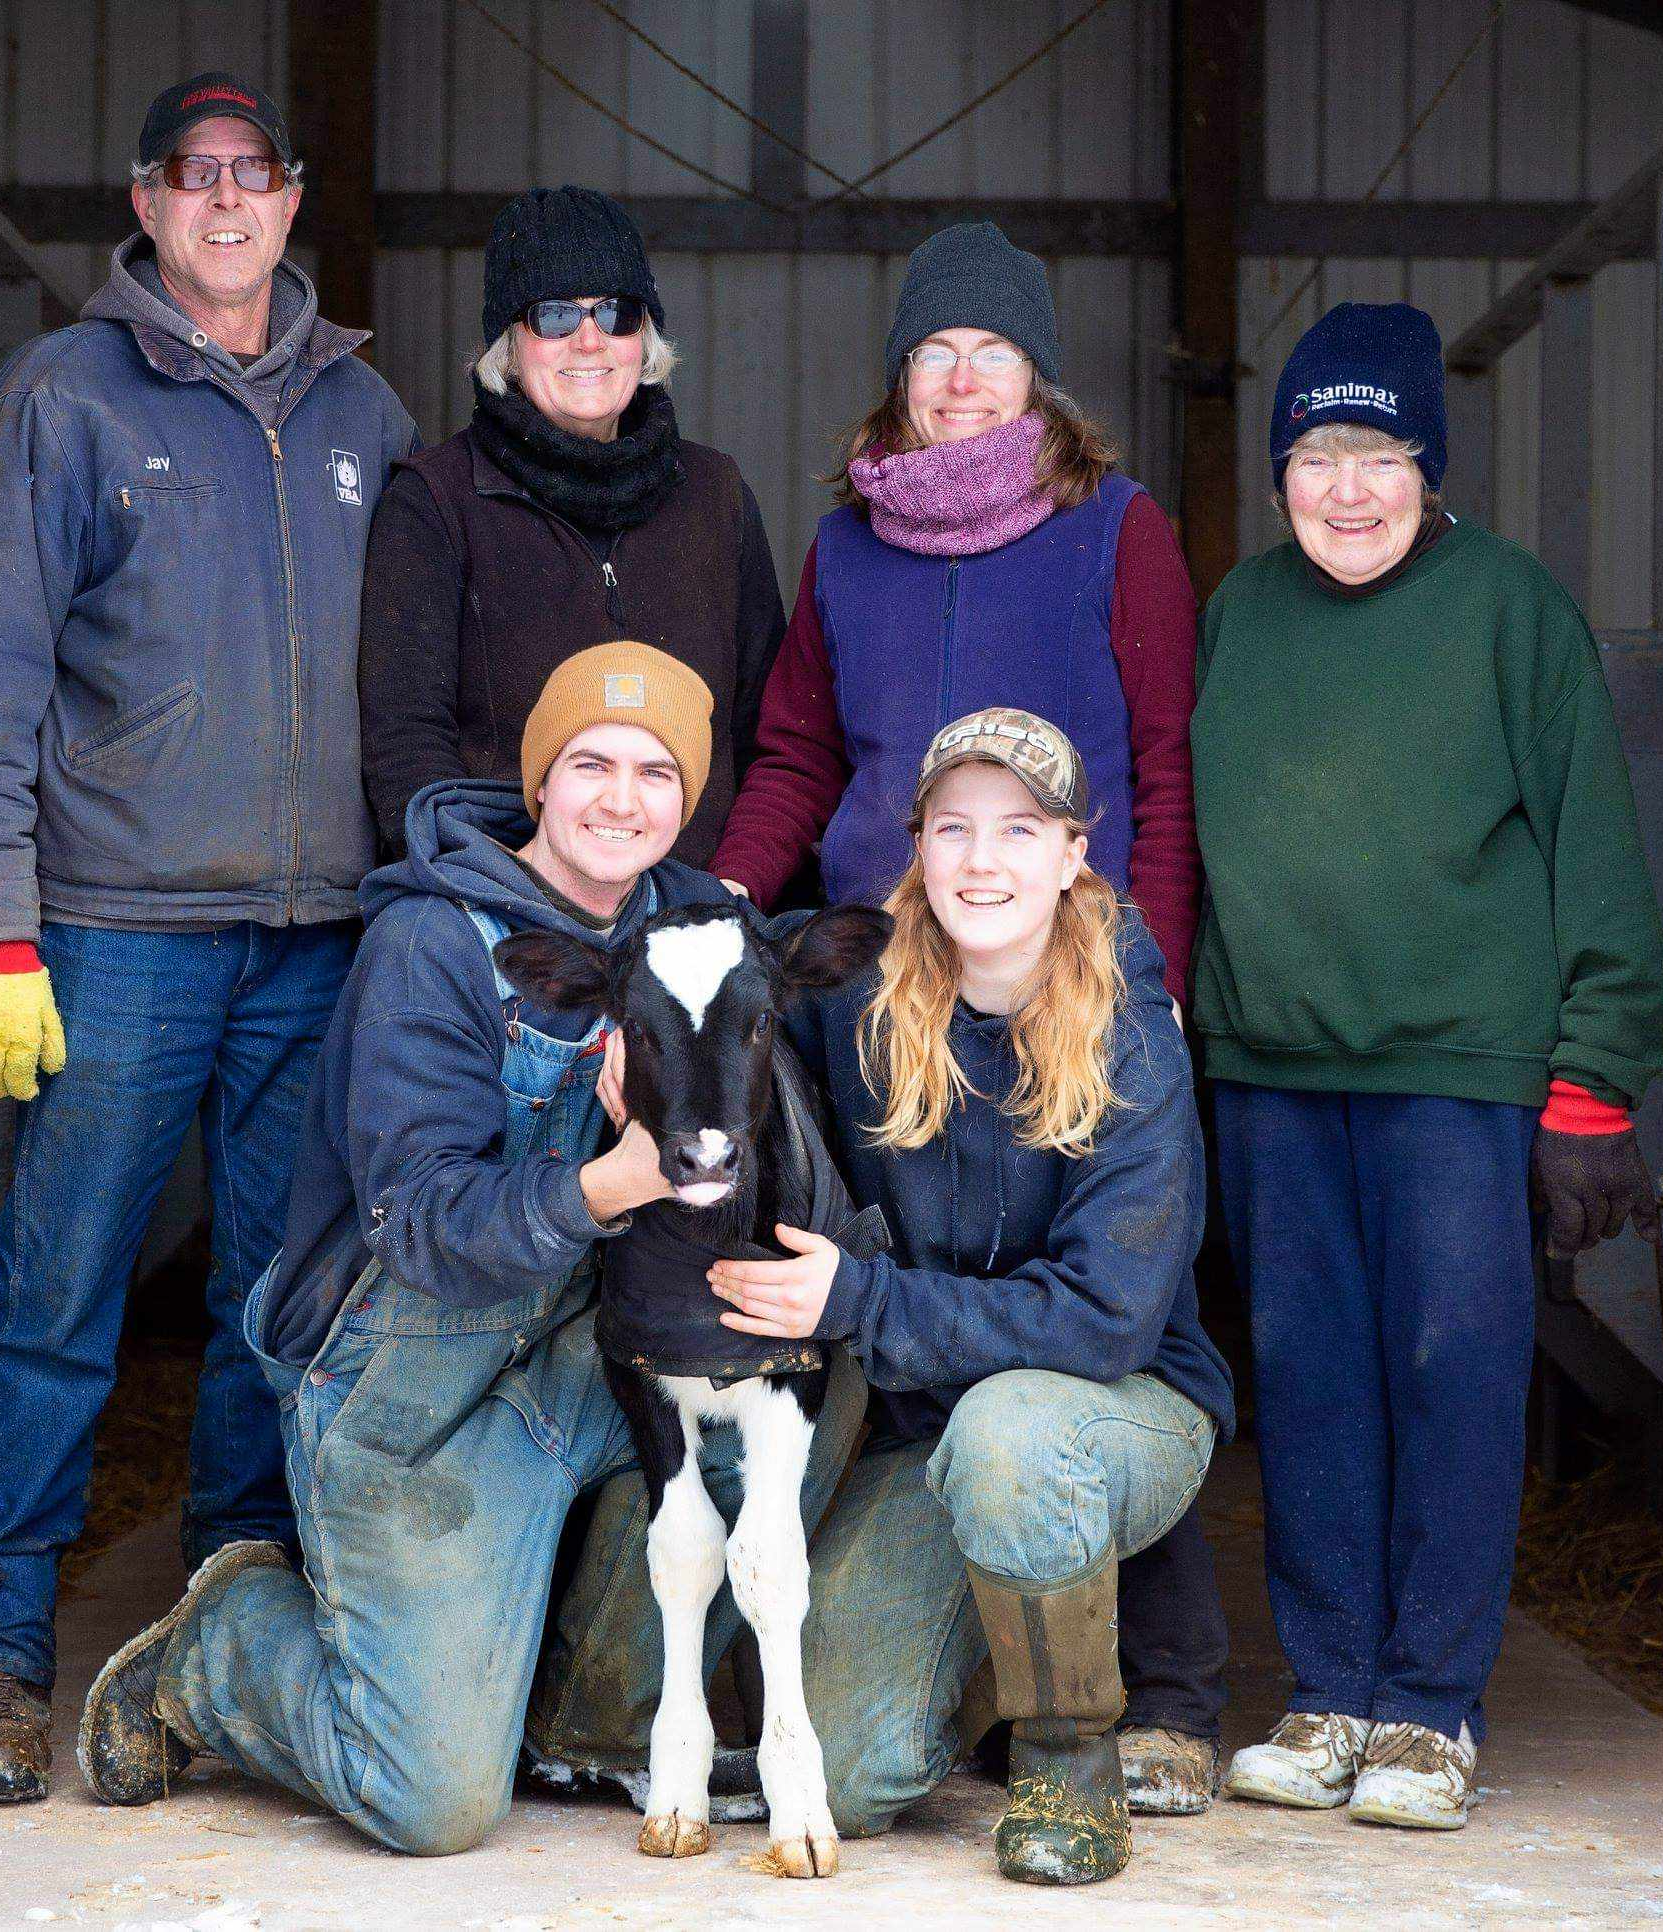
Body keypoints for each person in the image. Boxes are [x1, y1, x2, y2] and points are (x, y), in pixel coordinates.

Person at [77, 644, 867, 1855]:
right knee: (431, 1802)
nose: (621, 798)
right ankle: (221, 1645)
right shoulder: (433, 945)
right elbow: (425, 1223)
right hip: (413, 1395)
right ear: (539, 780)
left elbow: (783, 1135)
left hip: (596, 1355)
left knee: (816, 1361)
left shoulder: (698, 933)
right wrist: (619, 1175)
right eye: (590, 763)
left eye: (658, 771)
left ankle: (599, 1724)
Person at [0, 71, 416, 1805]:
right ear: (146, 201)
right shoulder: (67, 393)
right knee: (59, 1295)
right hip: (118, 924)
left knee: (277, 1307)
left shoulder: (369, 412)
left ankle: (213, 1640)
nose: (224, 203)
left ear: (291, 200)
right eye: (191, 176)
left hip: (321, 933)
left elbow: (419, 684)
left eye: (254, 174)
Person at [707, 218, 1230, 1811]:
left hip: (1074, 959)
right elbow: (798, 753)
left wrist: (1155, 975)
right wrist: (719, 913)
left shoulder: (1114, 529)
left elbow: (1161, 758)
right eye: (929, 351)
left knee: (1098, 1304)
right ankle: (949, 1654)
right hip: (893, 971)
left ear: (1036, 373)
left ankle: (1174, 1690)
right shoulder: (846, 546)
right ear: (899, 378)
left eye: (987, 348)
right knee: (920, 1250)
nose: (955, 376)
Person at [593, 707, 1230, 1885]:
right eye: (953, 830)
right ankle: (990, 1656)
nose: (983, 862)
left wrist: (859, 1305)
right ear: (919, 851)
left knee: (1013, 1437)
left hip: (1110, 1411)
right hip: (921, 1429)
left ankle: (1067, 1763)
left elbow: (1105, 1318)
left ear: (1074, 853)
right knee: (859, 1767)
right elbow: (726, 967)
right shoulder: (860, 994)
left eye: (1020, 831)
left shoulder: (1134, 1035)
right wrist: (647, 1033)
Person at [1199, 302, 1663, 1830]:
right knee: (1313, 1390)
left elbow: (1600, 852)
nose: (1349, 489)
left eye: (1380, 454)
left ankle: (1429, 1710)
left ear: (1430, 466)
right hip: (1273, 1071)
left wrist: (1593, 1082)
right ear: (1280, 472)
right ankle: (1331, 1691)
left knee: (1451, 1385)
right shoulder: (1240, 614)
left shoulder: (1511, 611)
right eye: (1317, 454)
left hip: (1459, 1075)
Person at [357, 185, 785, 870]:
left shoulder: (717, 496)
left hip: (691, 922)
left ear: (643, 337)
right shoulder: (434, 502)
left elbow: (769, 732)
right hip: (511, 924)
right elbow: (405, 744)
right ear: (508, 342)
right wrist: (496, 898)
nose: (589, 340)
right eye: (553, 315)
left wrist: (732, 890)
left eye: (616, 313)